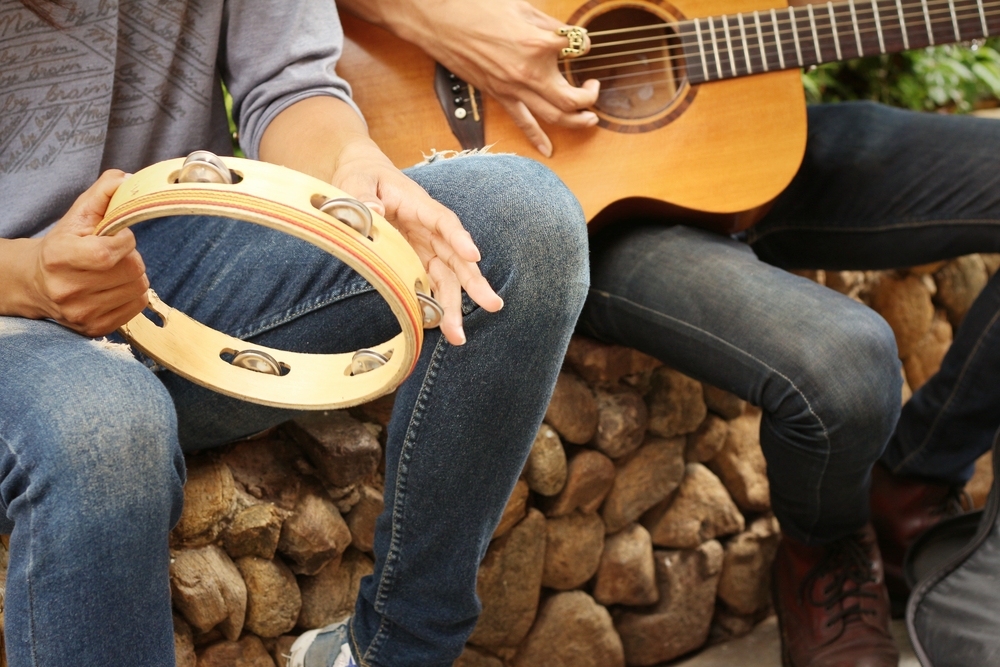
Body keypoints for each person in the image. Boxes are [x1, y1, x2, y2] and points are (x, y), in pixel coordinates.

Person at [337, 1, 1000, 665]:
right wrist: (442, 21)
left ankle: (914, 483)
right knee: (849, 365)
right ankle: (824, 547)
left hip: (743, 137)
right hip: (585, 205)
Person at [0, 2, 589, 667]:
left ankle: (394, 652)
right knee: (102, 425)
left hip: (173, 250)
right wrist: (29, 277)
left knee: (522, 222)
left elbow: (289, 84)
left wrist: (351, 170)